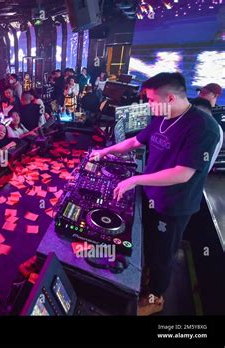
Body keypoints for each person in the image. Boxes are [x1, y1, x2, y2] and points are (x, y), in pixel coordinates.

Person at [90, 72, 221, 316]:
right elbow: (134, 143)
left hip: (174, 204)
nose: (148, 105)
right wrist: (105, 151)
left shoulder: (203, 127)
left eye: (151, 100)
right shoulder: (160, 117)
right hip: (152, 195)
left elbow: (182, 173)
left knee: (163, 254)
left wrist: (135, 179)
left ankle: (155, 297)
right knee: (151, 244)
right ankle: (147, 273)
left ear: (170, 97)